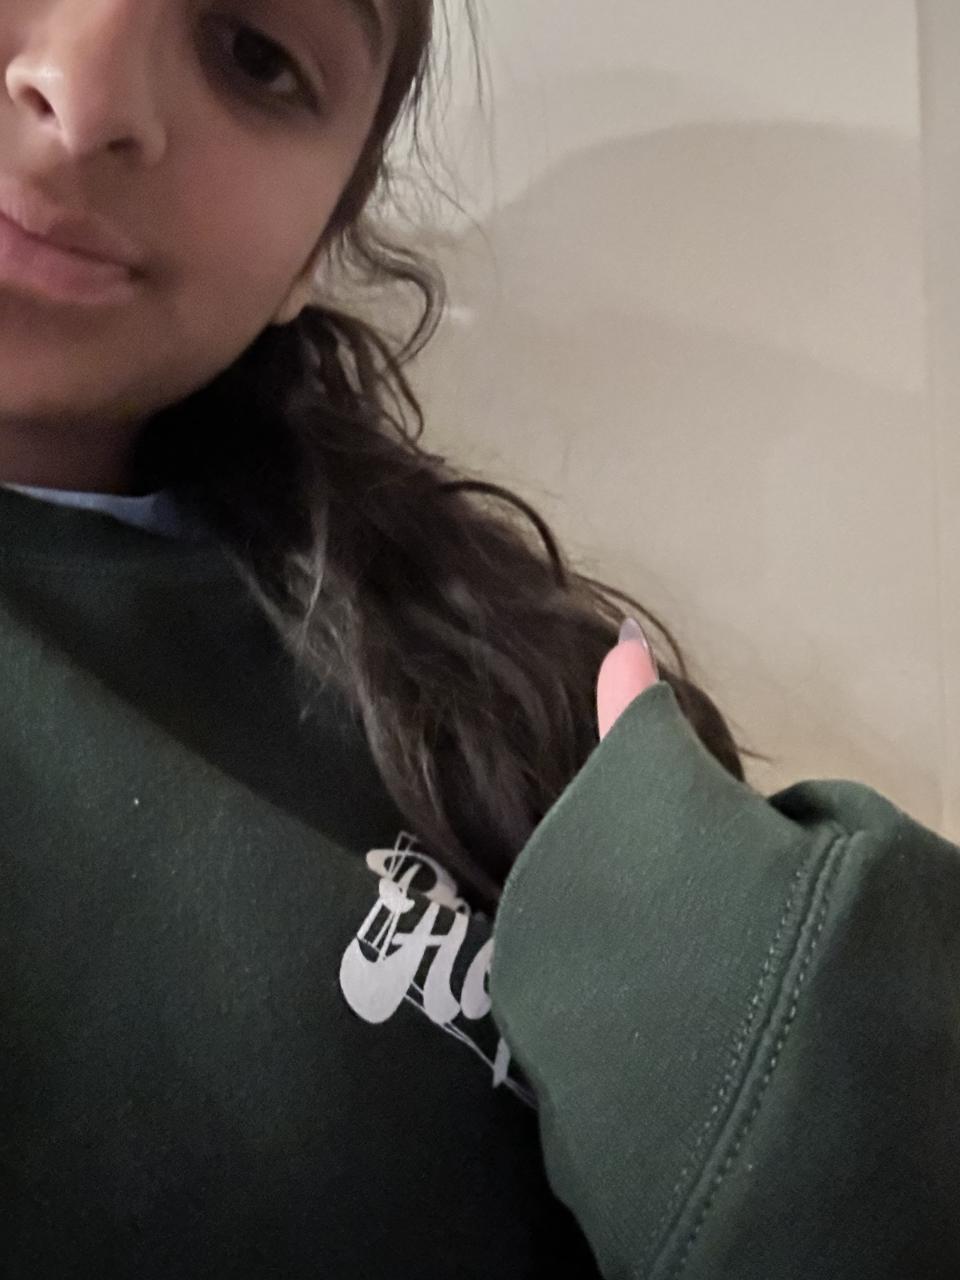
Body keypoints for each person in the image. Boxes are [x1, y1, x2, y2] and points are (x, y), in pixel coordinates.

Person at [1, 1, 958, 1277]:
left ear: (311, 253)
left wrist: (791, 1039)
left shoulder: (472, 663)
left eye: (254, 55)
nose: (85, 95)